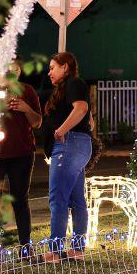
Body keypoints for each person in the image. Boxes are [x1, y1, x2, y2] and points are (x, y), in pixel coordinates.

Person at [43, 52, 91, 261]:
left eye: (53, 67)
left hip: (68, 145)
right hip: (77, 145)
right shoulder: (68, 87)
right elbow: (89, 119)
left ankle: (55, 250)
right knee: (76, 199)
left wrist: (61, 131)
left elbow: (81, 109)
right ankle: (77, 250)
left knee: (58, 199)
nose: (49, 72)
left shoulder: (74, 83)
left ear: (65, 67)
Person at [0, 59, 42, 253]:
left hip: (22, 153)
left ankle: (26, 247)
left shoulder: (27, 91)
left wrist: (26, 109)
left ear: (19, 72)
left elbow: (37, 122)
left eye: (15, 70)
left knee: (20, 199)